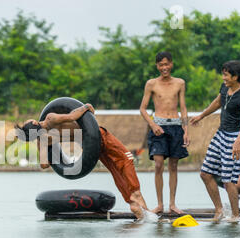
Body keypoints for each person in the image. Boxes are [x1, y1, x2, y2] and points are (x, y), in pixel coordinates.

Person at [15, 103, 149, 220]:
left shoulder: (42, 140)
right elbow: (72, 116)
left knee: (115, 170)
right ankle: (138, 198)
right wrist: (86, 106)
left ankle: (133, 204)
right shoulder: (51, 118)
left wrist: (47, 146)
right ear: (33, 123)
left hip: (90, 146)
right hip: (98, 136)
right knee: (126, 158)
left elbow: (44, 165)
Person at [190, 60, 240, 222]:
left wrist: (238, 141)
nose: (223, 77)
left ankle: (235, 216)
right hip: (221, 134)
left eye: (226, 75)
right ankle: (219, 210)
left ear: (235, 77)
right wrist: (201, 115)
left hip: (235, 137)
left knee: (228, 179)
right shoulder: (225, 88)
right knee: (205, 173)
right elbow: (218, 102)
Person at [139, 51, 190, 215]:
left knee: (174, 166)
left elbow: (183, 108)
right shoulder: (151, 84)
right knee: (159, 164)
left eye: (167, 64)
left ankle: (172, 204)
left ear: (172, 64)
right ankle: (159, 204)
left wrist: (186, 131)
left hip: (176, 126)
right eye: (161, 64)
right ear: (157, 66)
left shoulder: (180, 83)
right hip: (158, 126)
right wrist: (152, 124)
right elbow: (143, 109)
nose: (164, 67)